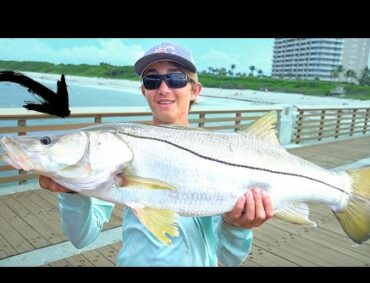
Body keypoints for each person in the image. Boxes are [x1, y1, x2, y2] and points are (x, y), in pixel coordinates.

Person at [39, 42, 274, 266]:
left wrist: (236, 227)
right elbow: (82, 238)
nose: (163, 89)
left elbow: (229, 258)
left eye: (175, 78)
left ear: (195, 90)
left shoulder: (220, 156)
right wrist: (72, 193)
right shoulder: (117, 152)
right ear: (143, 91)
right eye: (152, 80)